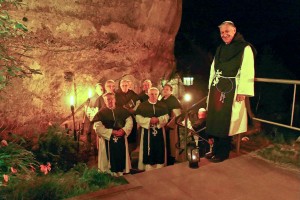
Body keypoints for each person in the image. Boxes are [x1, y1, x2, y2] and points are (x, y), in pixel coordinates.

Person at [206, 21, 256, 163]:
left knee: (225, 122)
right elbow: (213, 69)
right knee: (215, 120)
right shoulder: (220, 48)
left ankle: (223, 153)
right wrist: (210, 87)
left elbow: (248, 69)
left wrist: (243, 91)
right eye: (222, 32)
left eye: (227, 31)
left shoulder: (244, 48)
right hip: (217, 87)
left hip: (231, 88)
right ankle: (214, 150)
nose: (224, 35)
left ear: (234, 31)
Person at [93, 92, 133, 176]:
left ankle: (122, 171)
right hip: (107, 140)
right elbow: (97, 127)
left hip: (121, 137)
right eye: (108, 100)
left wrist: (124, 130)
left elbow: (129, 121)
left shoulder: (122, 110)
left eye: (112, 99)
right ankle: (109, 172)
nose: (110, 101)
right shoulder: (101, 113)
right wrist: (111, 132)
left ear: (115, 99)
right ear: (105, 101)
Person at [135, 87, 169, 171]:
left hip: (159, 129)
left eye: (155, 94)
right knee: (147, 147)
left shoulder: (163, 105)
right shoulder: (142, 105)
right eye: (151, 94)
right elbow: (138, 117)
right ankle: (148, 167)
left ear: (158, 95)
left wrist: (158, 120)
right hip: (147, 130)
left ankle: (159, 166)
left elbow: (166, 116)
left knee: (160, 147)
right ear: (148, 94)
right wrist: (149, 120)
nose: (153, 96)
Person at [115, 79, 140, 158]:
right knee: (122, 138)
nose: (124, 87)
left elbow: (138, 104)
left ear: (129, 86)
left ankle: (129, 157)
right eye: (123, 85)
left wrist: (133, 109)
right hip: (120, 121)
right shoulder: (116, 95)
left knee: (131, 140)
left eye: (126, 85)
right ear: (120, 86)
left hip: (131, 118)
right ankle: (122, 157)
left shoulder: (134, 94)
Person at [160, 84, 182, 165]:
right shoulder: (162, 99)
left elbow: (178, 115)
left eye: (167, 89)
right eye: (164, 89)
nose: (165, 90)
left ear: (171, 91)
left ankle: (170, 161)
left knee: (170, 145)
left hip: (170, 127)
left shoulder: (173, 100)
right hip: (163, 124)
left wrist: (169, 125)